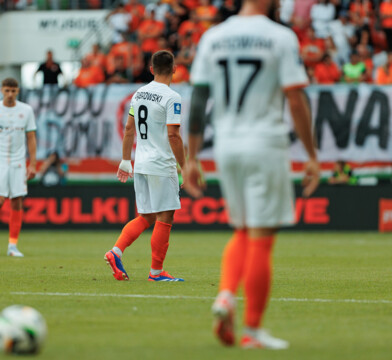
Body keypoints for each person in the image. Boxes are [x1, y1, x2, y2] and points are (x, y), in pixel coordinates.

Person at [184, 0, 320, 349]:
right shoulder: (280, 36)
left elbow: (199, 99)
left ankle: (226, 295)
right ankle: (252, 330)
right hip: (264, 142)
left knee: (243, 228)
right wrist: (311, 155)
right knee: (262, 237)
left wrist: (192, 157)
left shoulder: (214, 36)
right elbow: (295, 99)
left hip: (227, 146)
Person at [104, 50, 187, 282]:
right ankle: (156, 272)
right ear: (174, 69)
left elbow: (129, 128)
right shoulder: (172, 97)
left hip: (140, 163)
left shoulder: (139, 93)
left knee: (146, 216)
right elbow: (173, 135)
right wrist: (185, 166)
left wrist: (124, 160)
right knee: (165, 217)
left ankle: (116, 251)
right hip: (161, 164)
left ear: (151, 69)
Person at [0, 78, 37, 257]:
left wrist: (33, 164)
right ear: (1, 90)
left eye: (13, 91)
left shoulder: (26, 110)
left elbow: (31, 138)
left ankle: (12, 245)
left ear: (18, 91)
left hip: (18, 161)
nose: (10, 94)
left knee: (17, 201)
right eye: (7, 91)